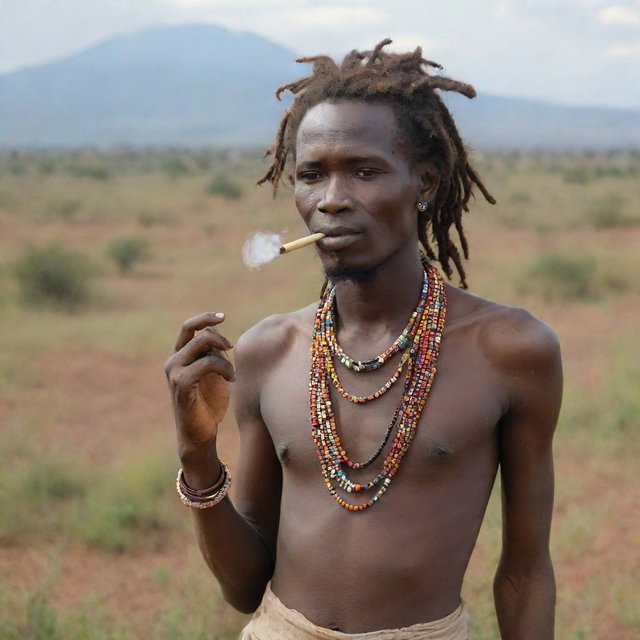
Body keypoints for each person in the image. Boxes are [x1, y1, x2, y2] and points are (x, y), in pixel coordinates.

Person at [164, 40, 562, 640]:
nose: (332, 200)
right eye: (311, 175)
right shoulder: (266, 354)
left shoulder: (509, 350)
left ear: (423, 183)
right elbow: (244, 588)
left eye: (365, 171)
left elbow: (525, 574)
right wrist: (197, 457)